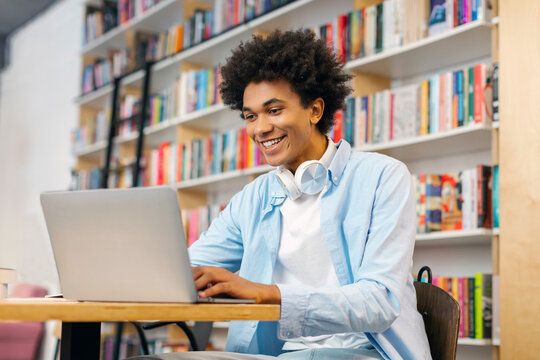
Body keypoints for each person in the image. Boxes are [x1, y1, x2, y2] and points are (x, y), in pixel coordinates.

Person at [136, 29, 431, 360]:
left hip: (365, 352)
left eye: (273, 110)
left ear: (315, 110)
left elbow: (379, 302)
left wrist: (265, 293)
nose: (260, 128)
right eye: (250, 116)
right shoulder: (255, 197)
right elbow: (185, 267)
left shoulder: (383, 177)